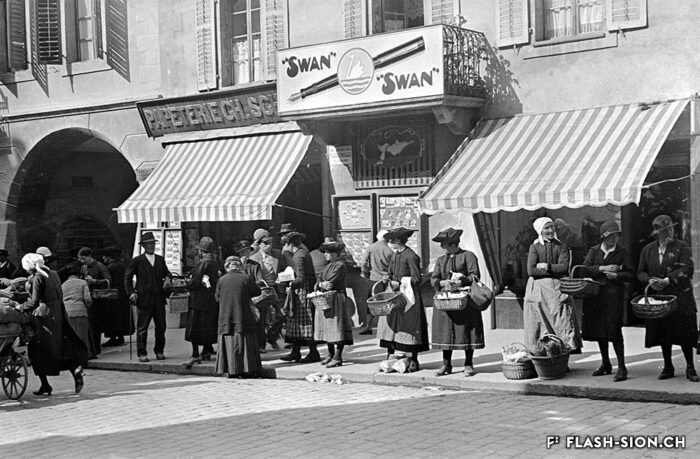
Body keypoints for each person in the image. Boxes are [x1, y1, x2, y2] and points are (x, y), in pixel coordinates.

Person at [638, 215, 699, 382]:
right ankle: (667, 366)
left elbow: (687, 268)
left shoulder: (681, 247)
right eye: (665, 231)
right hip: (660, 300)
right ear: (657, 233)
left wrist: (667, 280)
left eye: (671, 229)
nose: (669, 232)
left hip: (680, 298)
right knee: (663, 333)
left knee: (685, 333)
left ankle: (690, 367)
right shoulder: (648, 250)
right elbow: (640, 272)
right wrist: (649, 280)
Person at [21, 254, 87, 396]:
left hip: (44, 317)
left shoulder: (38, 277)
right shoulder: (53, 274)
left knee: (36, 350)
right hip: (58, 314)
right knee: (58, 349)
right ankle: (74, 370)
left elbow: (34, 301)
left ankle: (45, 385)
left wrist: (20, 307)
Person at [580, 220, 633, 382]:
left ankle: (622, 367)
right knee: (600, 331)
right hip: (595, 296)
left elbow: (631, 274)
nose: (614, 239)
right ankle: (605, 363)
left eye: (616, 236)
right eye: (611, 236)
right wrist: (603, 269)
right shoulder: (594, 251)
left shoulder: (622, 253)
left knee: (614, 330)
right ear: (603, 237)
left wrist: (617, 276)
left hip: (613, 296)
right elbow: (584, 268)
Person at [430, 228, 484, 377]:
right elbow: (434, 278)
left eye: (445, 245)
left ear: (454, 244)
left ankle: (468, 364)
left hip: (464, 300)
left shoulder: (468, 256)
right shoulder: (441, 260)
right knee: (445, 331)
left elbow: (475, 275)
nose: (443, 248)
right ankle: (446, 364)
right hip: (445, 301)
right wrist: (442, 283)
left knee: (467, 331)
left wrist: (460, 283)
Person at [524, 217, 582, 354]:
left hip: (557, 288)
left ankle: (563, 355)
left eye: (552, 227)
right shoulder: (535, 247)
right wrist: (552, 269)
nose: (550, 231)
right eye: (546, 228)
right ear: (540, 230)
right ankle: (542, 355)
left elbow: (563, 267)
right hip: (538, 290)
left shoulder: (562, 246)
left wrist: (546, 266)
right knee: (539, 322)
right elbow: (531, 270)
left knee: (562, 320)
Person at [377, 227, 428, 372]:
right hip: (394, 295)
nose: (390, 242)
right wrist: (387, 277)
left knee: (410, 327)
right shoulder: (395, 255)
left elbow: (417, 278)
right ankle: (391, 357)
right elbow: (390, 271)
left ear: (398, 241)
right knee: (391, 326)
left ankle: (413, 359)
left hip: (408, 296)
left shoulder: (411, 256)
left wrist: (400, 283)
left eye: (392, 240)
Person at [125, 232, 172, 363]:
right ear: (144, 246)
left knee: (161, 327)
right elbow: (127, 277)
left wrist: (168, 278)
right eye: (148, 244)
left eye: (153, 243)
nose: (151, 246)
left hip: (158, 298)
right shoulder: (138, 260)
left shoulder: (160, 259)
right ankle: (142, 353)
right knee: (142, 328)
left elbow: (167, 273)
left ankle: (159, 351)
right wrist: (131, 293)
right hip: (144, 299)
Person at [215, 256, 262, 378]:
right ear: (239, 266)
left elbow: (217, 297)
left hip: (226, 317)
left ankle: (231, 370)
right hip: (243, 316)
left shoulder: (221, 280)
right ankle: (247, 369)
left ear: (227, 266)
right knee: (244, 341)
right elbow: (257, 292)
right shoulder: (245, 278)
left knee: (229, 342)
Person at [280, 231, 320, 363]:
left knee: (303, 322)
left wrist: (286, 282)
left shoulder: (298, 256)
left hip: (301, 291)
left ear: (289, 244)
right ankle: (295, 352)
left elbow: (301, 278)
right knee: (296, 322)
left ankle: (313, 352)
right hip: (303, 289)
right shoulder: (303, 253)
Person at [314, 240, 354, 368]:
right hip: (326, 298)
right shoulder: (327, 266)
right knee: (327, 326)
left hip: (336, 297)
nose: (325, 255)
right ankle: (330, 354)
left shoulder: (339, 266)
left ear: (336, 254)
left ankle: (338, 356)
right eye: (325, 252)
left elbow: (329, 283)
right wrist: (320, 284)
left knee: (337, 326)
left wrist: (321, 284)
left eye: (328, 253)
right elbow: (320, 281)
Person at [183, 237, 220, 368]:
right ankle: (206, 351)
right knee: (207, 326)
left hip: (198, 300)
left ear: (201, 251)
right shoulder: (214, 263)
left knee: (195, 327)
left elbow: (195, 281)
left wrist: (187, 283)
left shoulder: (203, 263)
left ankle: (195, 354)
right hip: (210, 299)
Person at [250, 231, 287, 350]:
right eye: (265, 243)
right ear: (259, 244)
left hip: (277, 288)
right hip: (263, 291)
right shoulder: (254, 258)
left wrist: (283, 278)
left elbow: (284, 270)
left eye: (270, 242)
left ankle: (272, 336)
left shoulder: (277, 254)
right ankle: (261, 344)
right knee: (261, 319)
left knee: (283, 314)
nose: (269, 246)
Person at [78, 246, 112, 356]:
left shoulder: (99, 266)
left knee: (95, 325)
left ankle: (96, 348)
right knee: (90, 325)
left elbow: (108, 281)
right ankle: (91, 348)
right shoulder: (84, 267)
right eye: (81, 259)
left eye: (84, 258)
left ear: (89, 257)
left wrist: (95, 281)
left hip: (98, 299)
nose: (82, 261)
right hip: (87, 298)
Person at [360, 229, 393, 335]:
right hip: (387, 280)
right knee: (388, 304)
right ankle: (387, 326)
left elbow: (363, 263)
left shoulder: (371, 247)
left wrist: (366, 274)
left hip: (373, 280)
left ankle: (368, 326)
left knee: (371, 303)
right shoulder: (389, 249)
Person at [102, 246, 133, 347]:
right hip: (123, 293)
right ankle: (120, 336)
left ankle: (113, 337)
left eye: (105, 256)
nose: (103, 258)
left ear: (109, 257)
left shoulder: (110, 267)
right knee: (121, 316)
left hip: (113, 295)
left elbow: (107, 281)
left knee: (112, 316)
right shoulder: (122, 265)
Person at [61, 264, 93, 359]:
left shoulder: (63, 285)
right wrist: (87, 307)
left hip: (67, 311)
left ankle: (73, 355)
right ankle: (85, 355)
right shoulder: (82, 282)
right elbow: (87, 299)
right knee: (82, 335)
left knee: (71, 336)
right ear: (79, 275)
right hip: (80, 310)